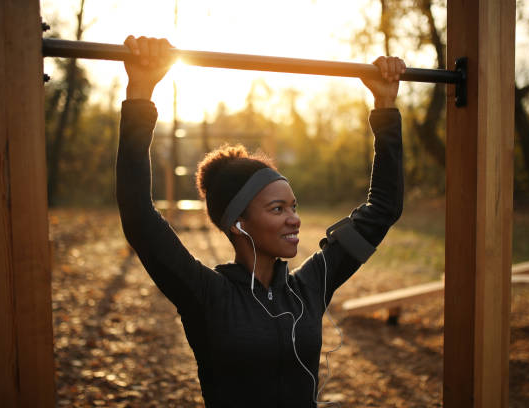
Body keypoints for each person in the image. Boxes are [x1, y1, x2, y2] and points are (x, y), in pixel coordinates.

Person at [116, 35, 405, 408]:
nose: (295, 220)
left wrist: (385, 106)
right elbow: (139, 214)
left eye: (293, 206)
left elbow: (382, 209)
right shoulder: (206, 295)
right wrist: (140, 90)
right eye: (277, 209)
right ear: (239, 223)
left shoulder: (311, 287)